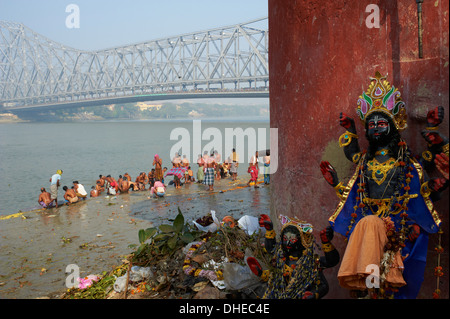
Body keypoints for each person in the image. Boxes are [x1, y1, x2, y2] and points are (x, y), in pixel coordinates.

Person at [320, 72, 448, 299]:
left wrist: (431, 130)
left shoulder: (406, 161)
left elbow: (424, 180)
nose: (376, 128)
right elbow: (352, 192)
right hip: (367, 225)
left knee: (397, 278)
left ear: (393, 126)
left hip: (400, 224)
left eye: (381, 123)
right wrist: (350, 131)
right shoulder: (364, 163)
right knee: (370, 278)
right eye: (371, 124)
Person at [247, 214, 340, 299]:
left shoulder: (311, 263)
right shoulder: (281, 259)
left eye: (292, 239)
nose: (288, 242)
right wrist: (261, 273)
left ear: (302, 240)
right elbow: (271, 250)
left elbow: (330, 266)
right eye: (285, 239)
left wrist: (314, 294)